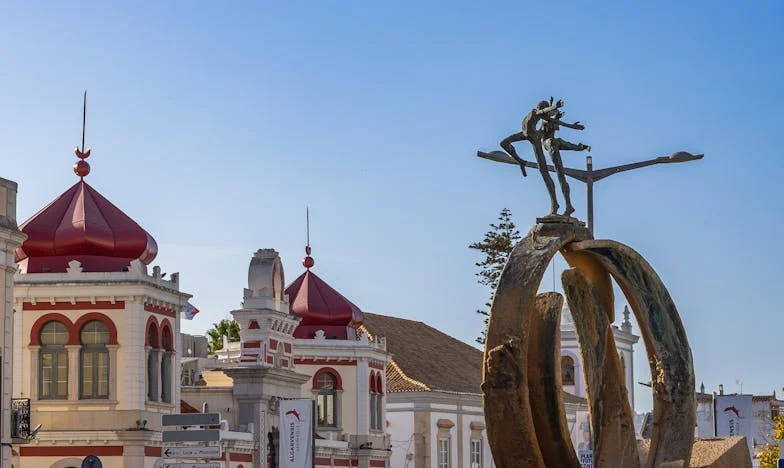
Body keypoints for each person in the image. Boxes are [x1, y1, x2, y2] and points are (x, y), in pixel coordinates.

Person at [542, 110, 591, 217]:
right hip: (553, 143)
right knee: (561, 175)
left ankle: (568, 205)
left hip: (550, 144)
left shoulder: (548, 130)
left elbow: (549, 122)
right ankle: (568, 205)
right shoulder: (548, 122)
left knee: (560, 175)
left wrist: (555, 115)